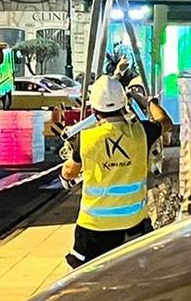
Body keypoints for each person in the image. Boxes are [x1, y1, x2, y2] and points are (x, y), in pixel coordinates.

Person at [61, 64, 171, 267]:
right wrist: (149, 101)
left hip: (93, 228)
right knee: (132, 272)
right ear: (124, 105)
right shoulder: (141, 133)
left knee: (85, 276)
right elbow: (165, 121)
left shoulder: (85, 138)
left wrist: (66, 177)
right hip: (134, 225)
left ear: (94, 110)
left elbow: (69, 171)